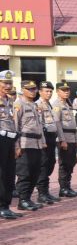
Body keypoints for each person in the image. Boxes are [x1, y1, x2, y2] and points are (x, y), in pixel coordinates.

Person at [14, 80, 46, 211]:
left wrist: (43, 142)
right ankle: (22, 200)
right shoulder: (18, 104)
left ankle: (28, 198)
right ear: (23, 90)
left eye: (34, 89)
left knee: (35, 172)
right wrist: (16, 146)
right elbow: (15, 126)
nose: (33, 91)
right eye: (30, 89)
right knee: (25, 173)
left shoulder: (34, 105)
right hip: (25, 143)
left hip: (37, 144)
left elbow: (39, 125)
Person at [35, 81, 66, 204]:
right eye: (46, 91)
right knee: (43, 165)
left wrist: (61, 138)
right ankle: (41, 193)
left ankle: (46, 192)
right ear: (40, 92)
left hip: (52, 138)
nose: (49, 93)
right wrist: (42, 140)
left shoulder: (50, 105)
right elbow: (38, 125)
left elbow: (56, 123)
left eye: (50, 91)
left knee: (50, 163)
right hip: (44, 138)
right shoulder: (37, 105)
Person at [53, 81, 77, 197]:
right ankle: (63, 188)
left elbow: (73, 123)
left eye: (67, 90)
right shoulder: (57, 105)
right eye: (63, 90)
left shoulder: (68, 104)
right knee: (64, 163)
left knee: (72, 162)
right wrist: (62, 140)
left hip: (71, 138)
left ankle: (67, 186)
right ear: (57, 92)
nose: (66, 92)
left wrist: (76, 139)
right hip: (64, 138)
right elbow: (57, 123)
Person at [0, 70, 21, 219]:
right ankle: (2, 206)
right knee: (1, 174)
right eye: (4, 83)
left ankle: (6, 205)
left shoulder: (10, 101)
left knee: (9, 173)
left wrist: (16, 144)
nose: (8, 86)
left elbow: (13, 124)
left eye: (10, 83)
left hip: (10, 140)